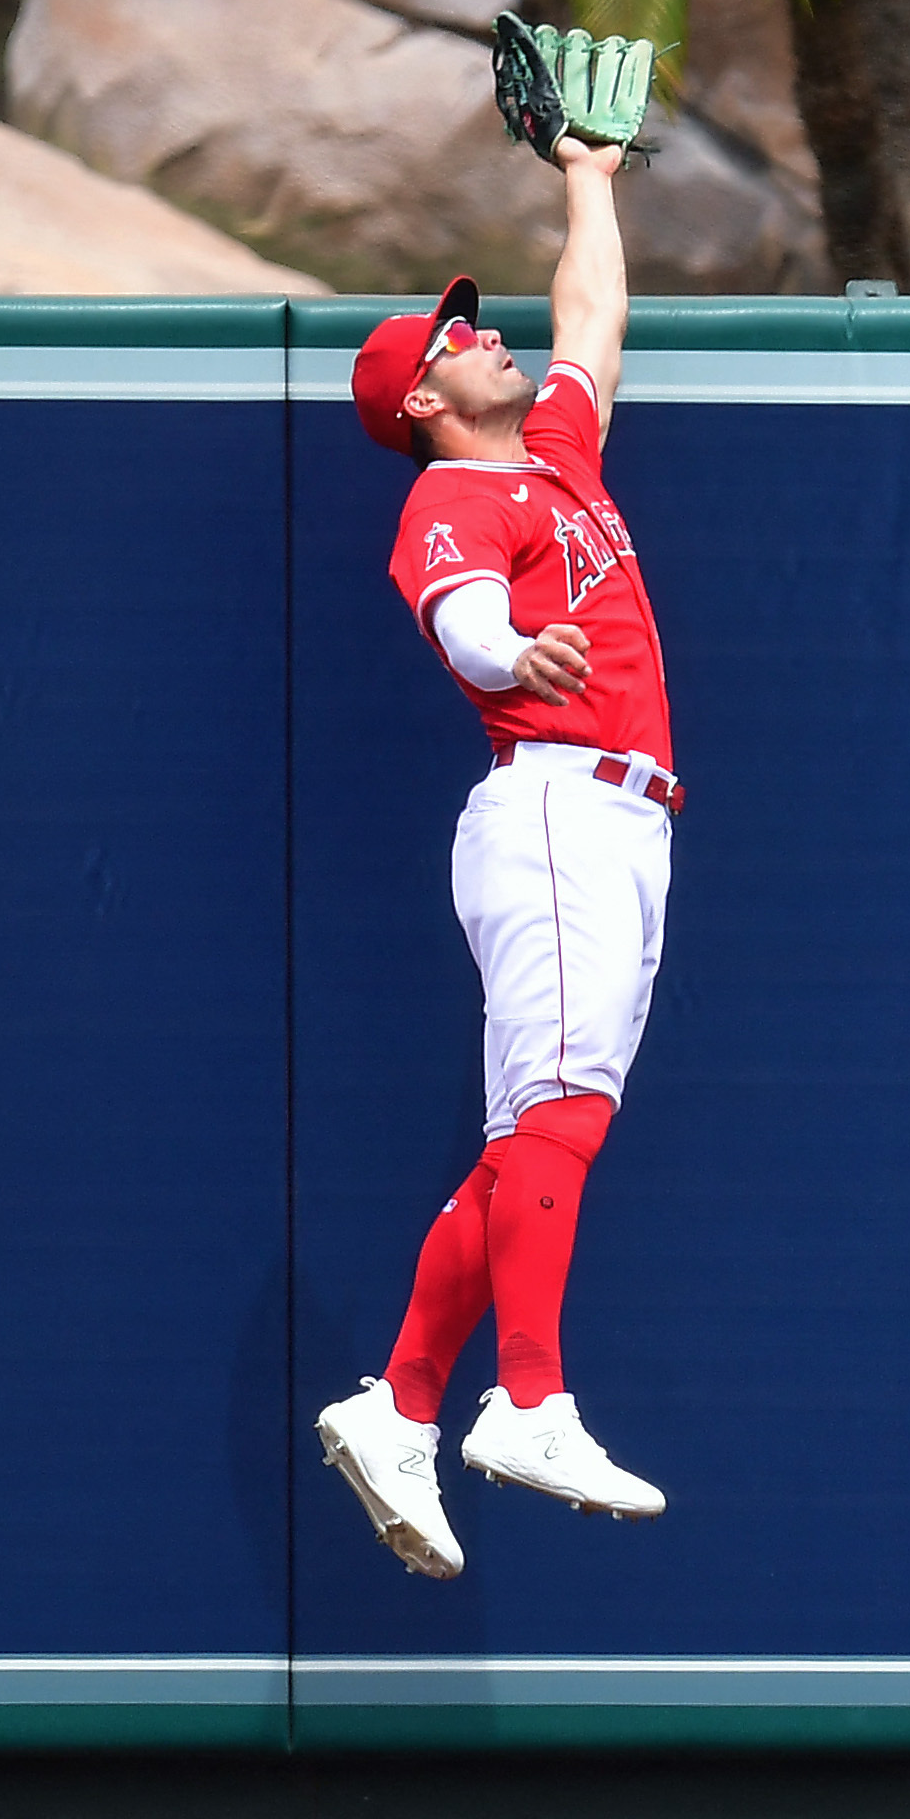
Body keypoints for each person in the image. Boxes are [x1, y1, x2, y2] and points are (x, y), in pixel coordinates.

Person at [314, 133, 676, 1582]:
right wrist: (513, 647)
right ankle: (526, 1398)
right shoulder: (451, 495)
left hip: (619, 814)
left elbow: (591, 317)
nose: (486, 334)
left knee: (539, 1135)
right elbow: (458, 618)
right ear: (422, 397)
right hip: (552, 801)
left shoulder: (559, 459)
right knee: (560, 1120)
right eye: (455, 336)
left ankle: (398, 1401)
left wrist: (589, 178)